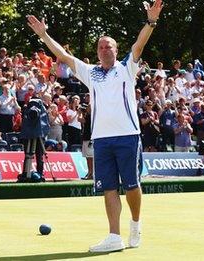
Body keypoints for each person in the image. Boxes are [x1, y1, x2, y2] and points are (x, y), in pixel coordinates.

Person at [27, 0, 163, 252]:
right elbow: (64, 56)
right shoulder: (90, 72)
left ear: (115, 49)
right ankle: (114, 236)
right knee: (108, 187)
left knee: (132, 185)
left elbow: (140, 43)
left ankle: (135, 223)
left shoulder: (126, 67)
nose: (104, 49)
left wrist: (151, 21)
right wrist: (44, 35)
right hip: (102, 139)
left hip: (128, 136)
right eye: (100, 46)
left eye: (108, 46)